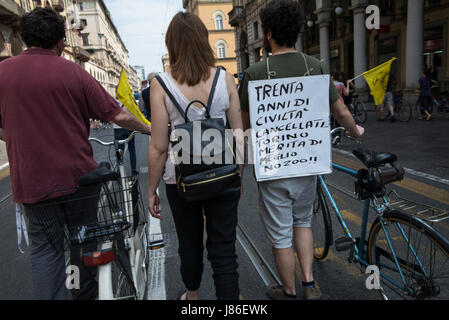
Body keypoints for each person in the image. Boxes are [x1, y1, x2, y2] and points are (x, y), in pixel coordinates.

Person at [0, 7, 151, 300]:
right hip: (77, 181)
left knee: (46, 252)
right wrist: (148, 128)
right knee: (85, 242)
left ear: (23, 36)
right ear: (60, 41)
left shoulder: (2, 73)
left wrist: (16, 136)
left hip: (31, 184)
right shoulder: (72, 71)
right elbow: (117, 115)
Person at [239, 0, 364, 300]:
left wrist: (239, 170)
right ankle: (308, 284)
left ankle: (289, 290)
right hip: (307, 161)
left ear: (268, 33)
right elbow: (341, 111)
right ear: (295, 31)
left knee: (281, 233)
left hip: (272, 167)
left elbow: (242, 129)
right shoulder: (316, 66)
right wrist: (354, 130)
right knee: (303, 222)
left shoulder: (255, 73)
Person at [147, 12, 244, 301]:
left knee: (189, 243)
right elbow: (238, 133)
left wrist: (150, 189)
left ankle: (192, 296)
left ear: (172, 45)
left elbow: (159, 146)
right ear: (205, 40)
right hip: (223, 173)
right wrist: (238, 175)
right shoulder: (225, 78)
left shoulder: (161, 83)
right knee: (224, 247)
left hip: (180, 180)